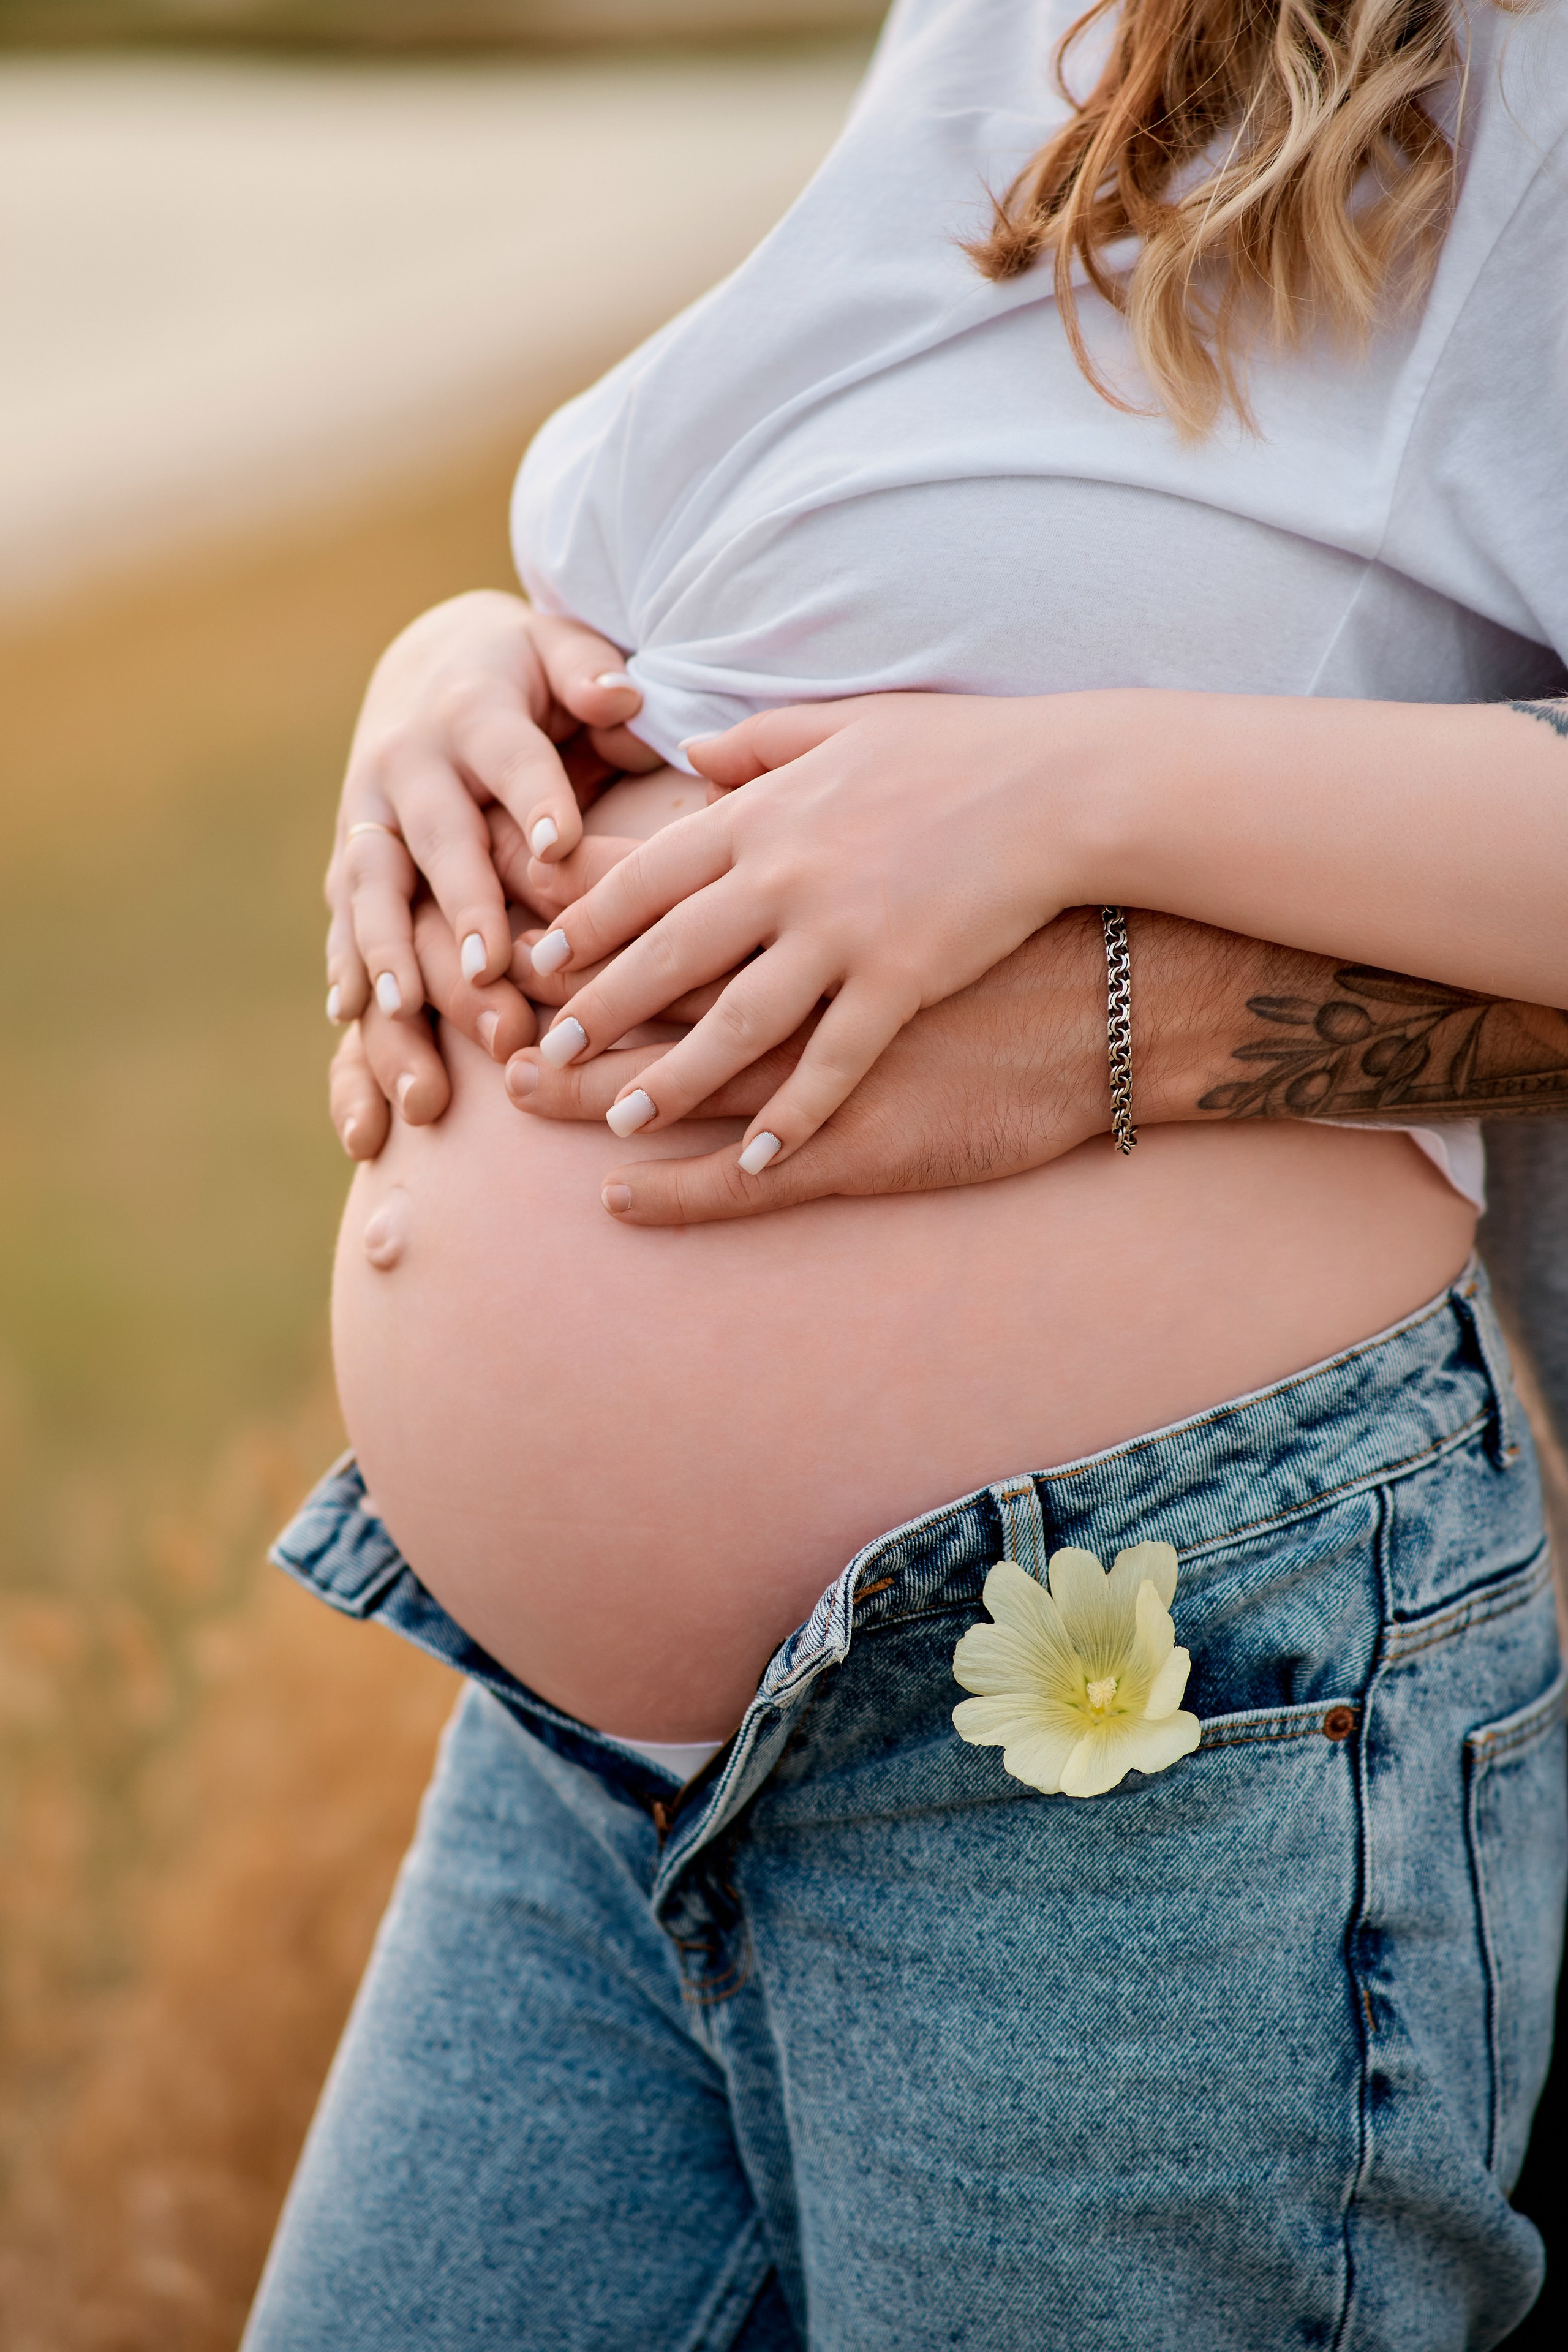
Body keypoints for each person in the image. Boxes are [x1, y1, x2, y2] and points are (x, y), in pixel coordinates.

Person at [245, 1, 1568, 2343]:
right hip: (586, 1751)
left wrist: (1074, 798)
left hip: (1140, 1717)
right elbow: (826, 540)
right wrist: (467, 661)